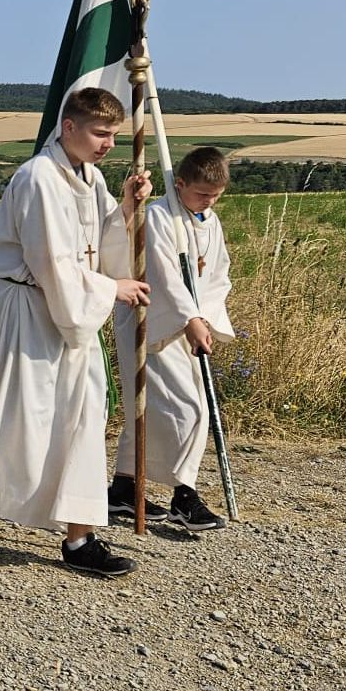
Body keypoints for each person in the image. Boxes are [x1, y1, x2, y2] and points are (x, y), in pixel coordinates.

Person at [0, 87, 147, 578]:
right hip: (31, 306)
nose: (108, 144)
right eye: (99, 132)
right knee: (5, 413)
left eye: (113, 134)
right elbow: (52, 261)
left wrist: (128, 209)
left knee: (84, 416)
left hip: (72, 312)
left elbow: (98, 241)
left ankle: (79, 537)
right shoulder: (38, 179)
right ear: (68, 127)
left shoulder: (89, 179)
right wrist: (112, 288)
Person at [108, 146, 235, 532]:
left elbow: (218, 275)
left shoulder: (209, 222)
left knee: (144, 411)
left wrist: (206, 318)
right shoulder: (159, 216)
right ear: (179, 184)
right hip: (153, 322)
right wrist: (190, 317)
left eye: (215, 195)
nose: (209, 201)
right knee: (189, 410)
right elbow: (162, 274)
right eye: (201, 194)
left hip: (191, 326)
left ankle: (123, 489)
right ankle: (185, 495)